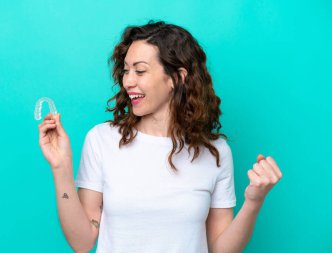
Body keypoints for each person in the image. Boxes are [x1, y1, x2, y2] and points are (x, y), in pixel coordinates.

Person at [38, 20, 283, 253]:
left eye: (140, 71)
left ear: (177, 77)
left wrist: (253, 202)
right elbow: (82, 242)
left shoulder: (214, 151)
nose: (128, 81)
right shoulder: (102, 140)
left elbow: (220, 249)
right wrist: (61, 168)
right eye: (126, 71)